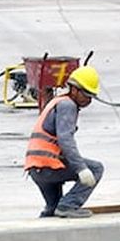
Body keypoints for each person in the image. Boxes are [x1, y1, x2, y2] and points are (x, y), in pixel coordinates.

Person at [24, 66, 104, 219]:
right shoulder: (68, 105)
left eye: (91, 96)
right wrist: (81, 168)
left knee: (53, 211)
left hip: (37, 168)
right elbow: (65, 139)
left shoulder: (57, 101)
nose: (88, 100)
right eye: (86, 95)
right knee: (96, 169)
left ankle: (52, 212)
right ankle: (69, 205)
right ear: (74, 90)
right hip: (48, 166)